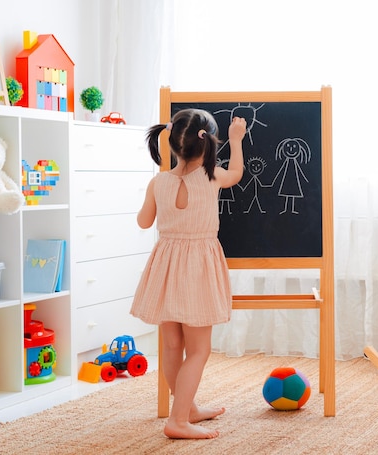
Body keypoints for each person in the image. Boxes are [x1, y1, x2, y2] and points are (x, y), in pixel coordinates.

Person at [130, 109, 247, 439]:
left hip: (166, 267)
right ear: (209, 143)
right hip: (197, 268)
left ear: (171, 142)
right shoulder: (213, 177)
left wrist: (157, 194)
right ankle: (178, 420)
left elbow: (143, 222)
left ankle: (186, 407)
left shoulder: (159, 181)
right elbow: (236, 172)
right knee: (199, 349)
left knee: (172, 346)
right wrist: (236, 139)